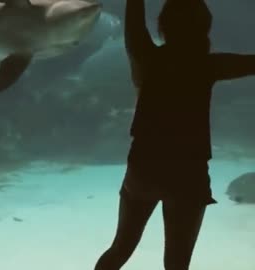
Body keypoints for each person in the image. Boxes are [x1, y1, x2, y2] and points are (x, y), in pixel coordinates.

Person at [93, 0, 255, 270]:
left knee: (120, 248)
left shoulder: (146, 55)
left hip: (144, 168)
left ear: (163, 26)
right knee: (177, 264)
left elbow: (134, 21)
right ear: (205, 28)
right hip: (188, 175)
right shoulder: (208, 65)